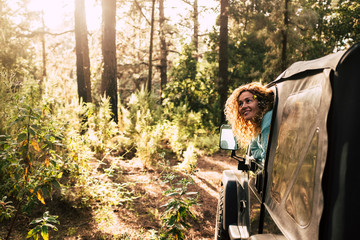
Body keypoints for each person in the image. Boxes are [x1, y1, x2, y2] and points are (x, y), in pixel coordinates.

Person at [224, 82, 274, 163]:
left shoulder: (267, 119)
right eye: (240, 104)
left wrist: (262, 153)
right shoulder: (257, 124)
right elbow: (254, 150)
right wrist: (262, 153)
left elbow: (267, 157)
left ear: (260, 102)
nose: (243, 106)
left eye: (248, 101)